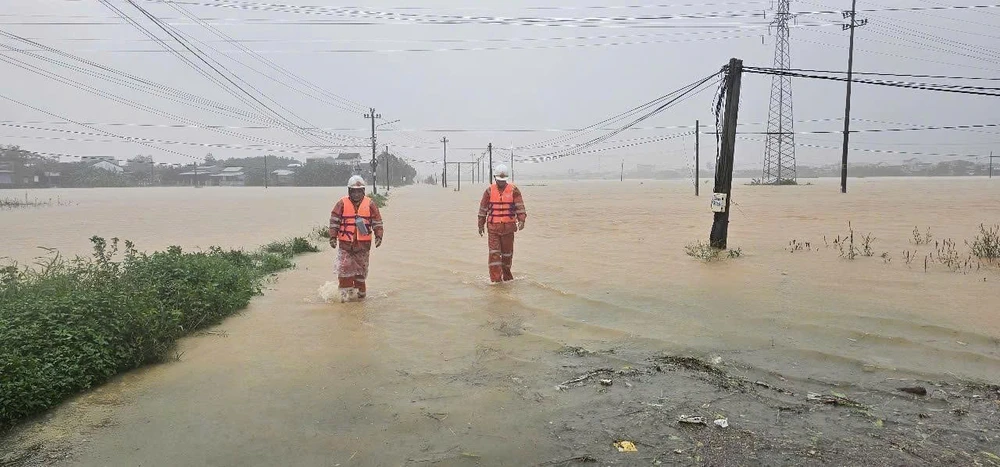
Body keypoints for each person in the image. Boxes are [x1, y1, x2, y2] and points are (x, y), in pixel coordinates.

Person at [329, 175, 384, 302]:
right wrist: (332, 237)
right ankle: (344, 299)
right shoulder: (341, 203)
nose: (356, 194)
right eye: (353, 191)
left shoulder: (370, 204)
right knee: (344, 271)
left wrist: (379, 236)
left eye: (359, 191)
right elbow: (334, 221)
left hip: (362, 247)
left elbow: (377, 222)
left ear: (363, 191)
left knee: (360, 274)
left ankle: (360, 301)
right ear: (349, 191)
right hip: (345, 246)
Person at [478, 164, 526, 283]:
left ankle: (507, 279)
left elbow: (520, 206)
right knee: (494, 255)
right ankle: (496, 281)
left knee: (507, 255)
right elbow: (483, 209)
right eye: (499, 180)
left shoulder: (514, 190)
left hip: (508, 229)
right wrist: (480, 224)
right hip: (493, 229)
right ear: (495, 178)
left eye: (503, 180)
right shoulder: (489, 191)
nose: (501, 182)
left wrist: (522, 220)